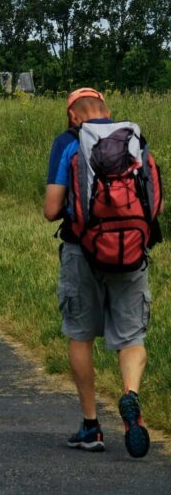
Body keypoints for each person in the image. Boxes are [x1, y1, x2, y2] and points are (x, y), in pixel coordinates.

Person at [44, 88, 153, 458]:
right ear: (107, 109)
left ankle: (91, 426)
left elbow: (51, 208)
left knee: (80, 335)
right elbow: (155, 203)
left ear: (73, 116)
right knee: (132, 337)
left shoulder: (68, 142)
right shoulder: (134, 138)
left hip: (83, 252)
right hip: (132, 254)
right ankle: (130, 396)